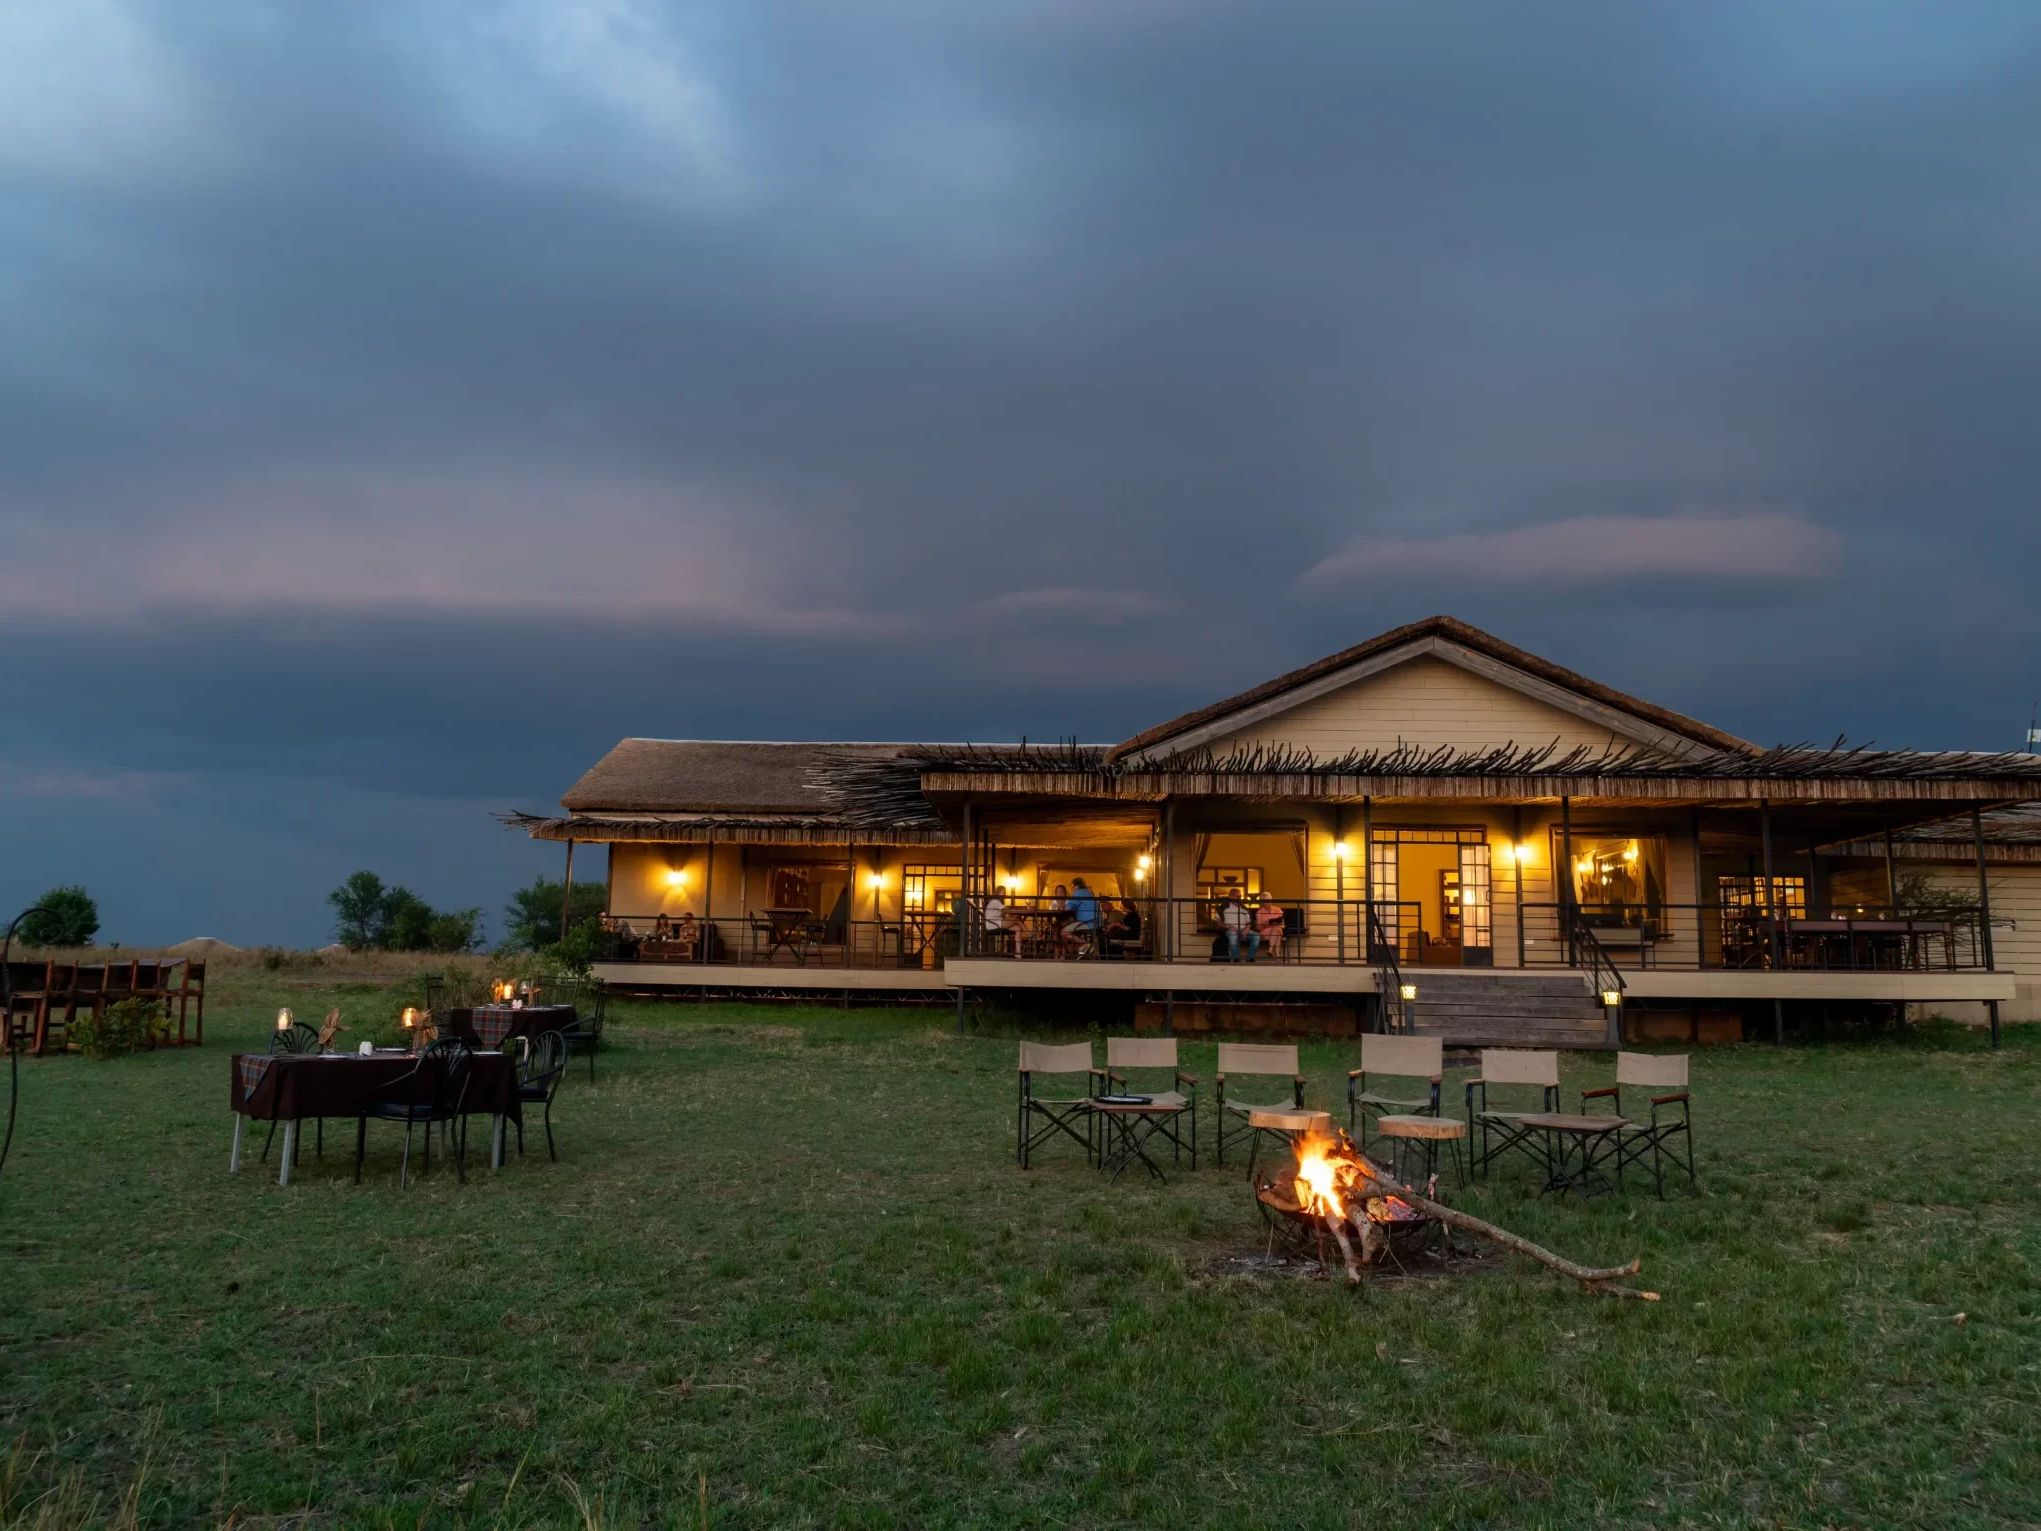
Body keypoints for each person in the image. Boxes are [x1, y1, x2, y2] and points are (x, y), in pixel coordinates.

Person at [1215, 893, 1260, 962]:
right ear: (1231, 896)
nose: (1239, 898)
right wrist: (1228, 926)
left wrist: (1246, 929)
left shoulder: (1244, 908)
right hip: (1230, 930)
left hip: (1243, 929)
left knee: (1256, 936)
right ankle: (1236, 958)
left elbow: (1249, 922)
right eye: (1237, 896)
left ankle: (1250, 957)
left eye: (1240, 896)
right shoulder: (1223, 907)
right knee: (1233, 935)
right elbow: (1218, 923)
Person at [1062, 877, 1100, 952]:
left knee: (1064, 932)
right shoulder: (1087, 892)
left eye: (1072, 886)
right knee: (1069, 927)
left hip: (1088, 923)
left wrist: (1062, 907)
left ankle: (1084, 944)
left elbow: (1068, 908)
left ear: (1076, 886)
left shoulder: (1078, 893)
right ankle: (1075, 950)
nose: (1072, 889)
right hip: (1096, 922)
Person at [1253, 893, 1286, 958]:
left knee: (1276, 929)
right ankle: (1277, 955)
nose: (1267, 903)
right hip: (1265, 932)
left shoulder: (1277, 909)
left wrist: (1275, 924)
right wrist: (1266, 924)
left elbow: (1283, 925)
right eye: (1264, 901)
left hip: (1277, 930)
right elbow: (1258, 928)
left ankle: (1270, 950)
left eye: (1268, 900)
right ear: (1261, 902)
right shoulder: (1259, 912)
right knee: (1277, 931)